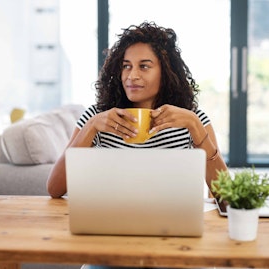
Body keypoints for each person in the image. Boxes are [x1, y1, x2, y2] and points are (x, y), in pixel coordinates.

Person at [46, 21, 229, 269]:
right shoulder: (98, 118)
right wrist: (90, 128)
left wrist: (196, 128)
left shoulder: (192, 119)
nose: (132, 76)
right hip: (109, 246)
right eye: (126, 67)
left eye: (144, 66)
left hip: (175, 247)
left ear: (165, 72)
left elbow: (226, 198)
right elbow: (55, 188)